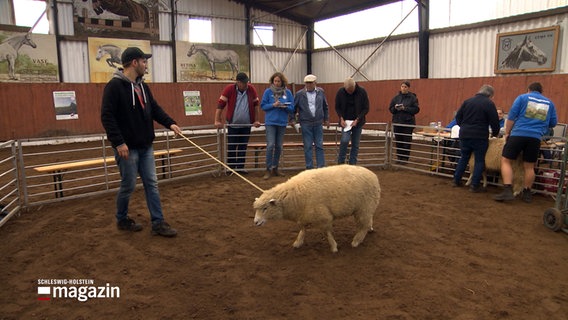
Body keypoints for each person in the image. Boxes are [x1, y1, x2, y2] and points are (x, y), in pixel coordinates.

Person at [101, 47, 181, 237]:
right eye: (144, 61)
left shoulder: (143, 87)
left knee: (151, 183)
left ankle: (158, 222)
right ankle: (121, 218)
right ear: (134, 63)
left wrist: (170, 123)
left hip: (145, 146)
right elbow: (107, 117)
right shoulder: (114, 87)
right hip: (127, 148)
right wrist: (119, 142)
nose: (146, 65)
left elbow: (154, 109)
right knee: (128, 185)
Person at [494, 82, 557, 203]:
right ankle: (527, 192)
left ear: (529, 90)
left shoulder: (522, 97)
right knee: (529, 166)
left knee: (506, 160)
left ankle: (507, 190)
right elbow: (553, 123)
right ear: (541, 91)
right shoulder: (549, 103)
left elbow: (511, 117)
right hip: (535, 138)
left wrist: (507, 133)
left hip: (518, 134)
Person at [452, 85, 500, 192]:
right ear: (490, 95)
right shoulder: (489, 104)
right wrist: (495, 133)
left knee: (464, 157)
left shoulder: (467, 101)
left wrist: (464, 126)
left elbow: (458, 117)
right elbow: (494, 121)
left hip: (464, 134)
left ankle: (456, 180)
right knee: (479, 160)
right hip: (479, 135)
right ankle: (474, 185)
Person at [214, 72, 261, 174]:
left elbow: (256, 105)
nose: (246, 84)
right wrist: (217, 120)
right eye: (244, 83)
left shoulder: (251, 89)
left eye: (247, 82)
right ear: (238, 82)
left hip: (246, 124)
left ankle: (240, 167)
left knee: (243, 146)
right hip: (233, 125)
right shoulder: (229, 89)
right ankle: (230, 168)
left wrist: (256, 120)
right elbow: (220, 105)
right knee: (231, 145)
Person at [260, 72, 294, 179]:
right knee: (270, 145)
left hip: (282, 122)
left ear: (282, 82)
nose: (277, 83)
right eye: (275, 81)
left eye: (279, 81)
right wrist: (273, 105)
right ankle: (268, 168)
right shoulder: (267, 92)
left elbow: (292, 108)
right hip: (270, 122)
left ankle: (275, 167)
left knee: (279, 146)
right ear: (272, 81)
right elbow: (263, 106)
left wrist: (285, 107)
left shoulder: (287, 93)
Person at [294, 74, 329, 169]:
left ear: (315, 83)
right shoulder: (299, 94)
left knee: (319, 145)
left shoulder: (321, 92)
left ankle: (321, 166)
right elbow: (294, 108)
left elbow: (325, 106)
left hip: (318, 122)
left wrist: (326, 119)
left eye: (310, 83)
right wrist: (293, 120)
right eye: (307, 83)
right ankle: (309, 167)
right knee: (308, 146)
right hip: (306, 123)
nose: (308, 85)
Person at [335, 77, 369, 165]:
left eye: (351, 90)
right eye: (347, 90)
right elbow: (337, 107)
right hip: (345, 122)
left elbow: (366, 108)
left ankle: (352, 164)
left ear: (354, 86)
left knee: (355, 145)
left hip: (358, 122)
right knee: (344, 140)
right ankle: (341, 163)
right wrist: (341, 118)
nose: (349, 92)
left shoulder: (362, 92)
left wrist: (358, 119)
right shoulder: (340, 92)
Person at [389, 81, 420, 164]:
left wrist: (405, 108)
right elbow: (391, 109)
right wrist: (395, 108)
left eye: (405, 87)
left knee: (406, 141)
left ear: (408, 88)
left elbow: (416, 109)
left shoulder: (413, 98)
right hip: (397, 122)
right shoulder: (396, 98)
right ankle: (399, 157)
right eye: (402, 86)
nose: (403, 88)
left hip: (408, 123)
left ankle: (405, 158)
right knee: (398, 141)